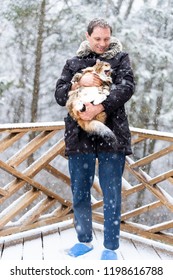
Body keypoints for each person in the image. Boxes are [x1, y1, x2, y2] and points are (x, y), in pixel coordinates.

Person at [55, 18, 135, 260]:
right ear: (87, 37)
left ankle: (110, 248)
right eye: (97, 38)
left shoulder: (120, 59)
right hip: (79, 137)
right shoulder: (73, 63)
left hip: (112, 136)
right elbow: (59, 94)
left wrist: (98, 107)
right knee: (80, 192)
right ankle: (84, 240)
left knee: (111, 193)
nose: (102, 43)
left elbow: (127, 87)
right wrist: (79, 81)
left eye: (106, 39)